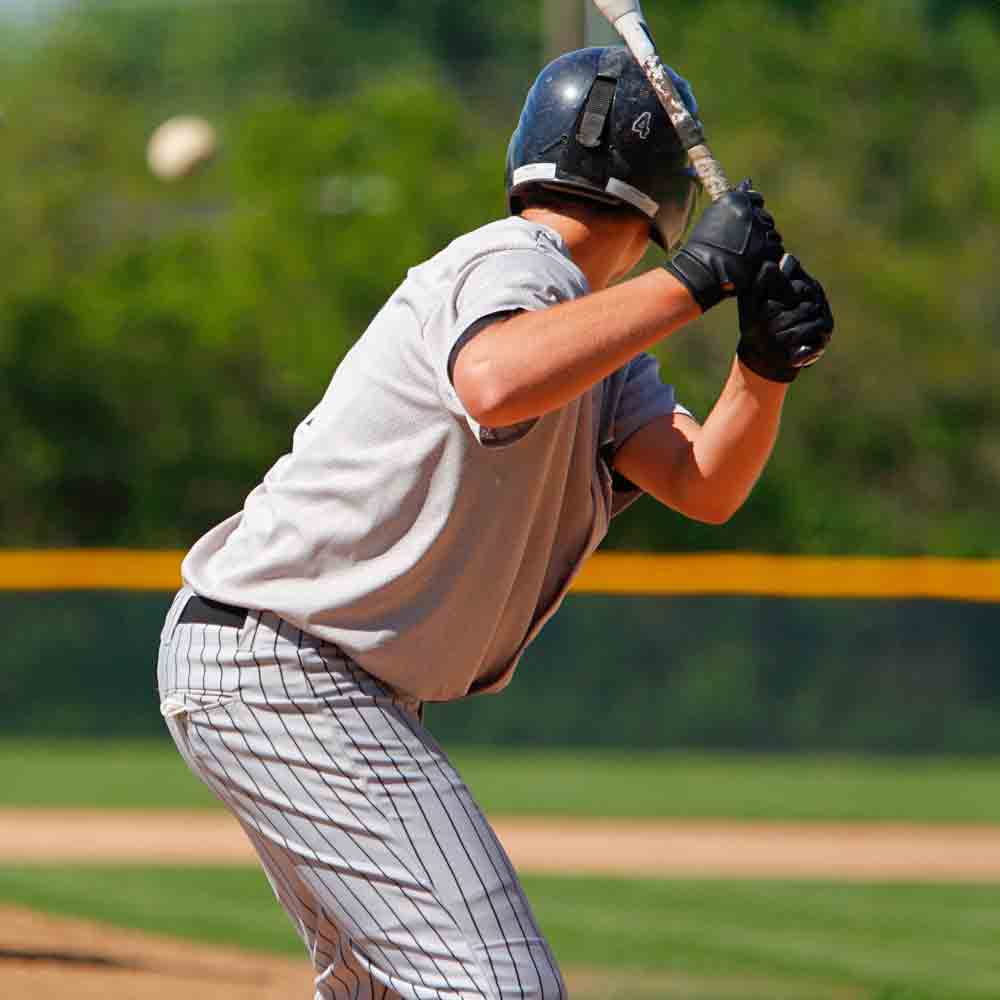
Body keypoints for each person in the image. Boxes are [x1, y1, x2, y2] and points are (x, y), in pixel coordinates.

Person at [156, 46, 832, 1000]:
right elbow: (497, 380)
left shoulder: (586, 324)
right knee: (499, 987)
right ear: (663, 195)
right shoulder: (513, 263)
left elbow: (703, 482)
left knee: (390, 989)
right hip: (288, 668)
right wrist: (695, 281)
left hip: (292, 668)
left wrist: (762, 372)